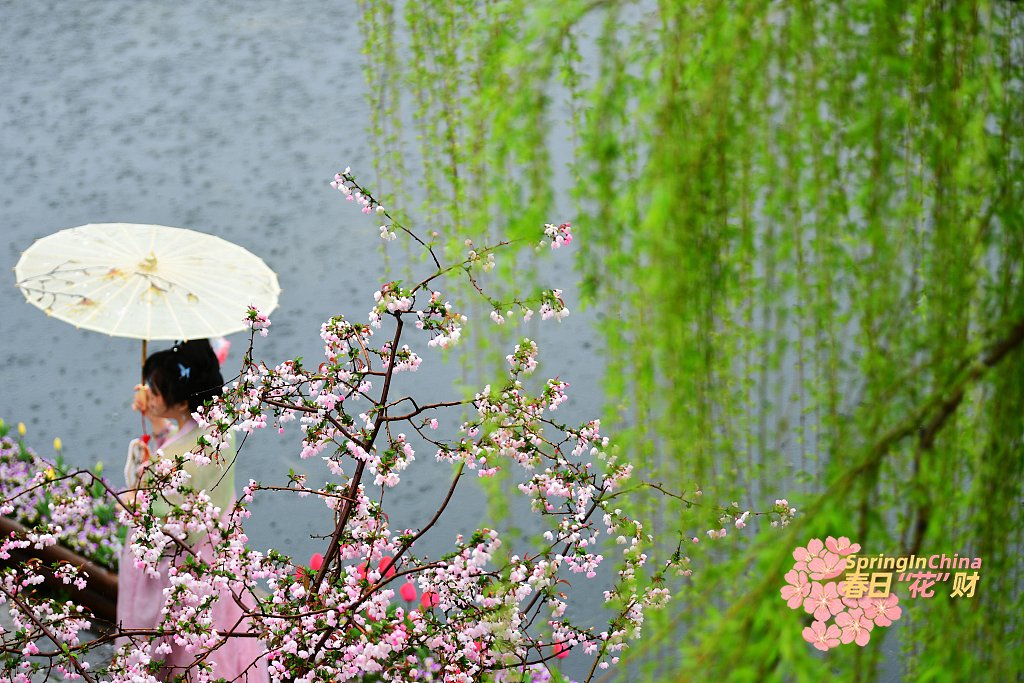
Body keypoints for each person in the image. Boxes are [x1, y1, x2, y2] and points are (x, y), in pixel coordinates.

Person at [117, 339, 268, 682]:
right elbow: (191, 463)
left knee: (174, 652)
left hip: (178, 572)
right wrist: (158, 426)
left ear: (183, 401)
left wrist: (134, 489)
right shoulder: (221, 430)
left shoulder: (167, 463)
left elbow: (158, 533)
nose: (149, 394)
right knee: (216, 641)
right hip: (215, 554)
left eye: (155, 391)